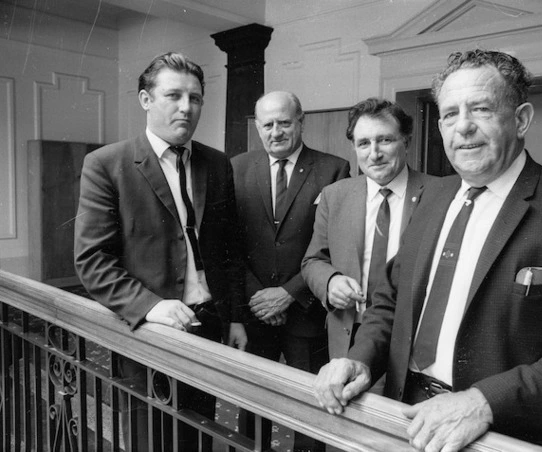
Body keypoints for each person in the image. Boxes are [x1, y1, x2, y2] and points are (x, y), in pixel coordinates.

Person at [313, 49, 542, 452]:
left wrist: (483, 403)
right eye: (449, 114)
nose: (462, 127)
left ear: (521, 120)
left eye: (480, 109)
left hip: (507, 434)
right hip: (408, 417)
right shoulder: (431, 195)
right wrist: (359, 358)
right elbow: (391, 303)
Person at [74, 52, 246, 452]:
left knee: (200, 434)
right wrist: (152, 307)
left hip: (210, 325)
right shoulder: (107, 164)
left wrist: (235, 317)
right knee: (151, 438)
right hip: (150, 329)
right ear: (145, 100)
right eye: (174, 96)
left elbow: (229, 251)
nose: (186, 108)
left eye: (196, 98)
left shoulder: (216, 163)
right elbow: (92, 261)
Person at [231, 90, 350, 452]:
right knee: (252, 405)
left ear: (301, 121)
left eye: (284, 122)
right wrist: (259, 298)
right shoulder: (235, 167)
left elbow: (334, 247)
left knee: (310, 410)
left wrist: (288, 294)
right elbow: (228, 245)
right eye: (267, 124)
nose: (276, 131)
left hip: (306, 311)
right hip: (255, 312)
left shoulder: (334, 168)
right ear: (257, 128)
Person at [302, 98, 439, 361]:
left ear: (407, 142)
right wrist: (330, 282)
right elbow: (312, 261)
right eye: (363, 143)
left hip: (415, 337)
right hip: (350, 331)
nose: (374, 153)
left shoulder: (439, 194)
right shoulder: (335, 195)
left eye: (385, 140)